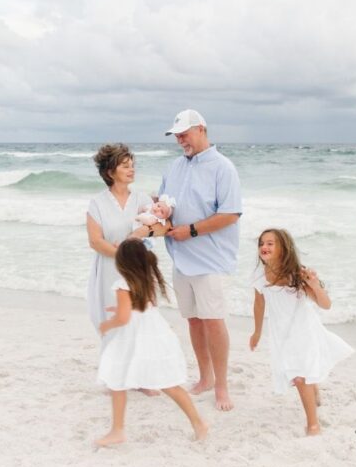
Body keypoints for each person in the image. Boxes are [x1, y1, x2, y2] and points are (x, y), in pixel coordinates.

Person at [161, 109, 242, 411]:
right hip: (181, 258)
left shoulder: (223, 168)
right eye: (177, 135)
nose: (180, 139)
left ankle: (221, 385)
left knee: (213, 321)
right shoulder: (174, 168)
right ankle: (205, 377)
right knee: (194, 320)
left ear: (202, 130)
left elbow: (231, 213)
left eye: (184, 133)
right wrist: (160, 212)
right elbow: (164, 203)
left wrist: (192, 230)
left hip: (211, 260)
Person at [96, 239, 208, 447]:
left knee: (117, 381)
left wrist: (108, 325)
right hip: (154, 334)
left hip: (134, 339)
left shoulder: (122, 284)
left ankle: (117, 430)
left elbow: (123, 319)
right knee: (169, 384)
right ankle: (198, 423)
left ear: (121, 262)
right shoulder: (146, 278)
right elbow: (141, 307)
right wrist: (120, 311)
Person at [249, 228, 352, 435]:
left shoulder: (297, 275)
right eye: (262, 243)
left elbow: (326, 305)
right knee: (301, 373)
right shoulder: (259, 275)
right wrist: (257, 332)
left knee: (299, 376)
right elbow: (259, 304)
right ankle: (314, 389)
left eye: (271, 243)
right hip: (281, 333)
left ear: (284, 248)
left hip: (303, 331)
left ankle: (313, 424)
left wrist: (314, 284)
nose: (264, 247)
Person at [86, 143, 170, 396]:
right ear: (110, 171)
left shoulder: (142, 199)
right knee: (114, 318)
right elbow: (95, 241)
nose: (131, 168)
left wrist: (143, 231)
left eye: (132, 164)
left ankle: (142, 378)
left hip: (139, 271)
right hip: (110, 269)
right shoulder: (97, 203)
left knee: (140, 319)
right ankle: (115, 377)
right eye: (125, 165)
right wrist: (123, 254)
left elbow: (162, 227)